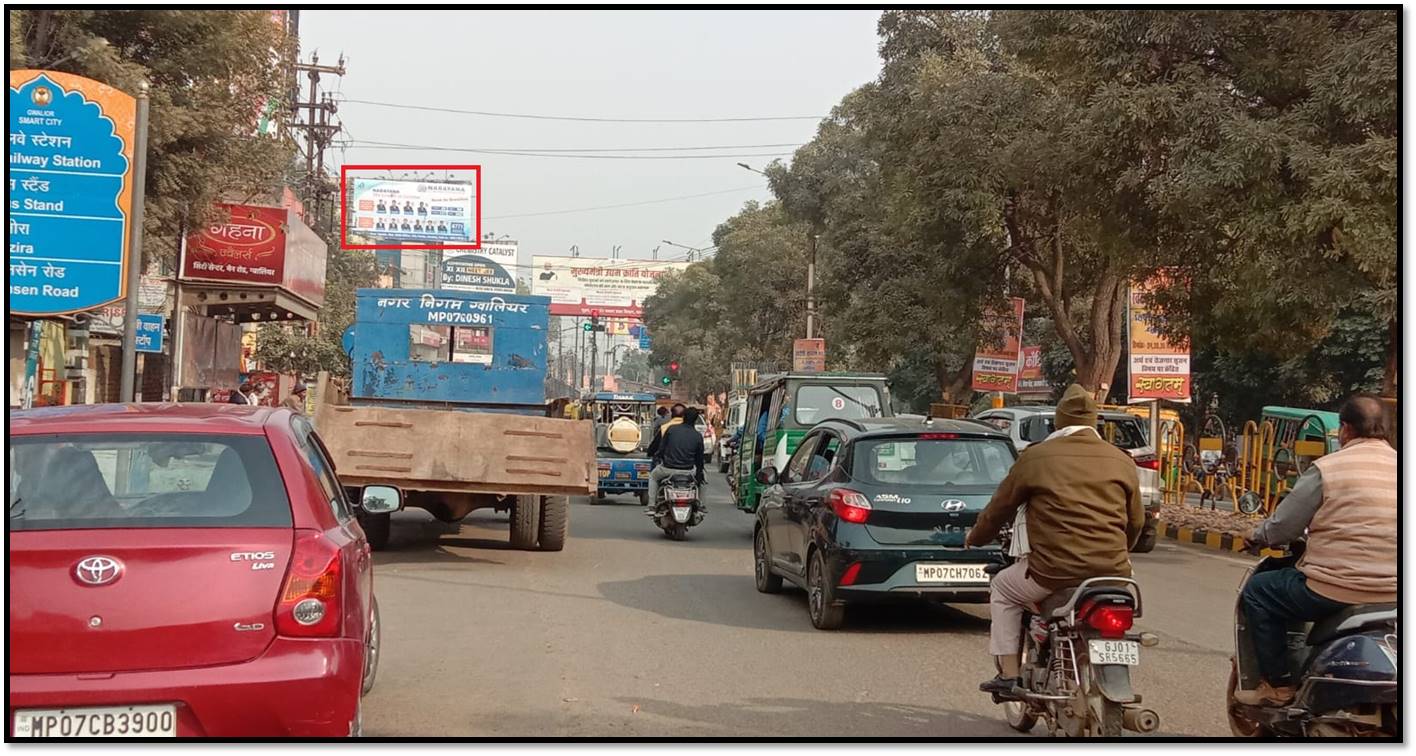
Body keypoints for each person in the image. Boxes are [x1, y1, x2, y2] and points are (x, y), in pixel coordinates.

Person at [965, 384, 1145, 697]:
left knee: (1003, 588)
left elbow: (999, 510)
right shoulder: (1121, 460)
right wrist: (1120, 551)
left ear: (1058, 422)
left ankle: (1009, 675)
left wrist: (976, 537)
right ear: (1094, 422)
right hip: (1113, 575)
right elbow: (1137, 521)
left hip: (1053, 571)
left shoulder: (1036, 457)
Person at [1235, 394, 1397, 706]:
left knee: (1259, 591)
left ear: (1345, 430)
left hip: (1335, 590)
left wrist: (1256, 536)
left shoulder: (1328, 468)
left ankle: (1278, 686)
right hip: (1394, 594)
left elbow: (1284, 527)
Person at [646, 406, 705, 512]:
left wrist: (658, 456)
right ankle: (701, 505)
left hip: (667, 469)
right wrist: (699, 474)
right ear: (696, 420)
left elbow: (661, 449)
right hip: (689, 471)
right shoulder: (698, 436)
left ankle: (651, 505)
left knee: (653, 477)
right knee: (704, 479)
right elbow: (700, 459)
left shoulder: (670, 429)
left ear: (683, 417)